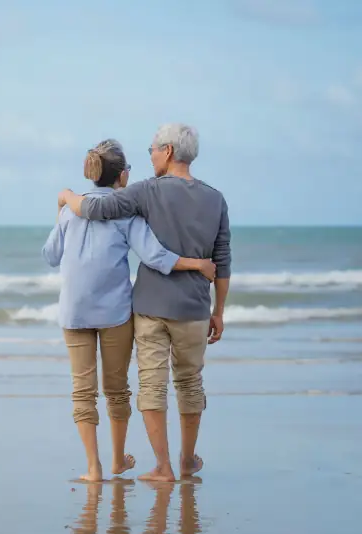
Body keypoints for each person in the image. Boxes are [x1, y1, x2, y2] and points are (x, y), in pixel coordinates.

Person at [57, 124, 232, 483]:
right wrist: (219, 311)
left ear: (167, 151)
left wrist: (65, 198)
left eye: (152, 148)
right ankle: (186, 461)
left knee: (151, 385)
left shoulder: (145, 192)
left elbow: (94, 208)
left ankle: (162, 467)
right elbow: (222, 259)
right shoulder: (216, 199)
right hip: (196, 308)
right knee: (189, 383)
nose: (150, 154)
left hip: (150, 306)